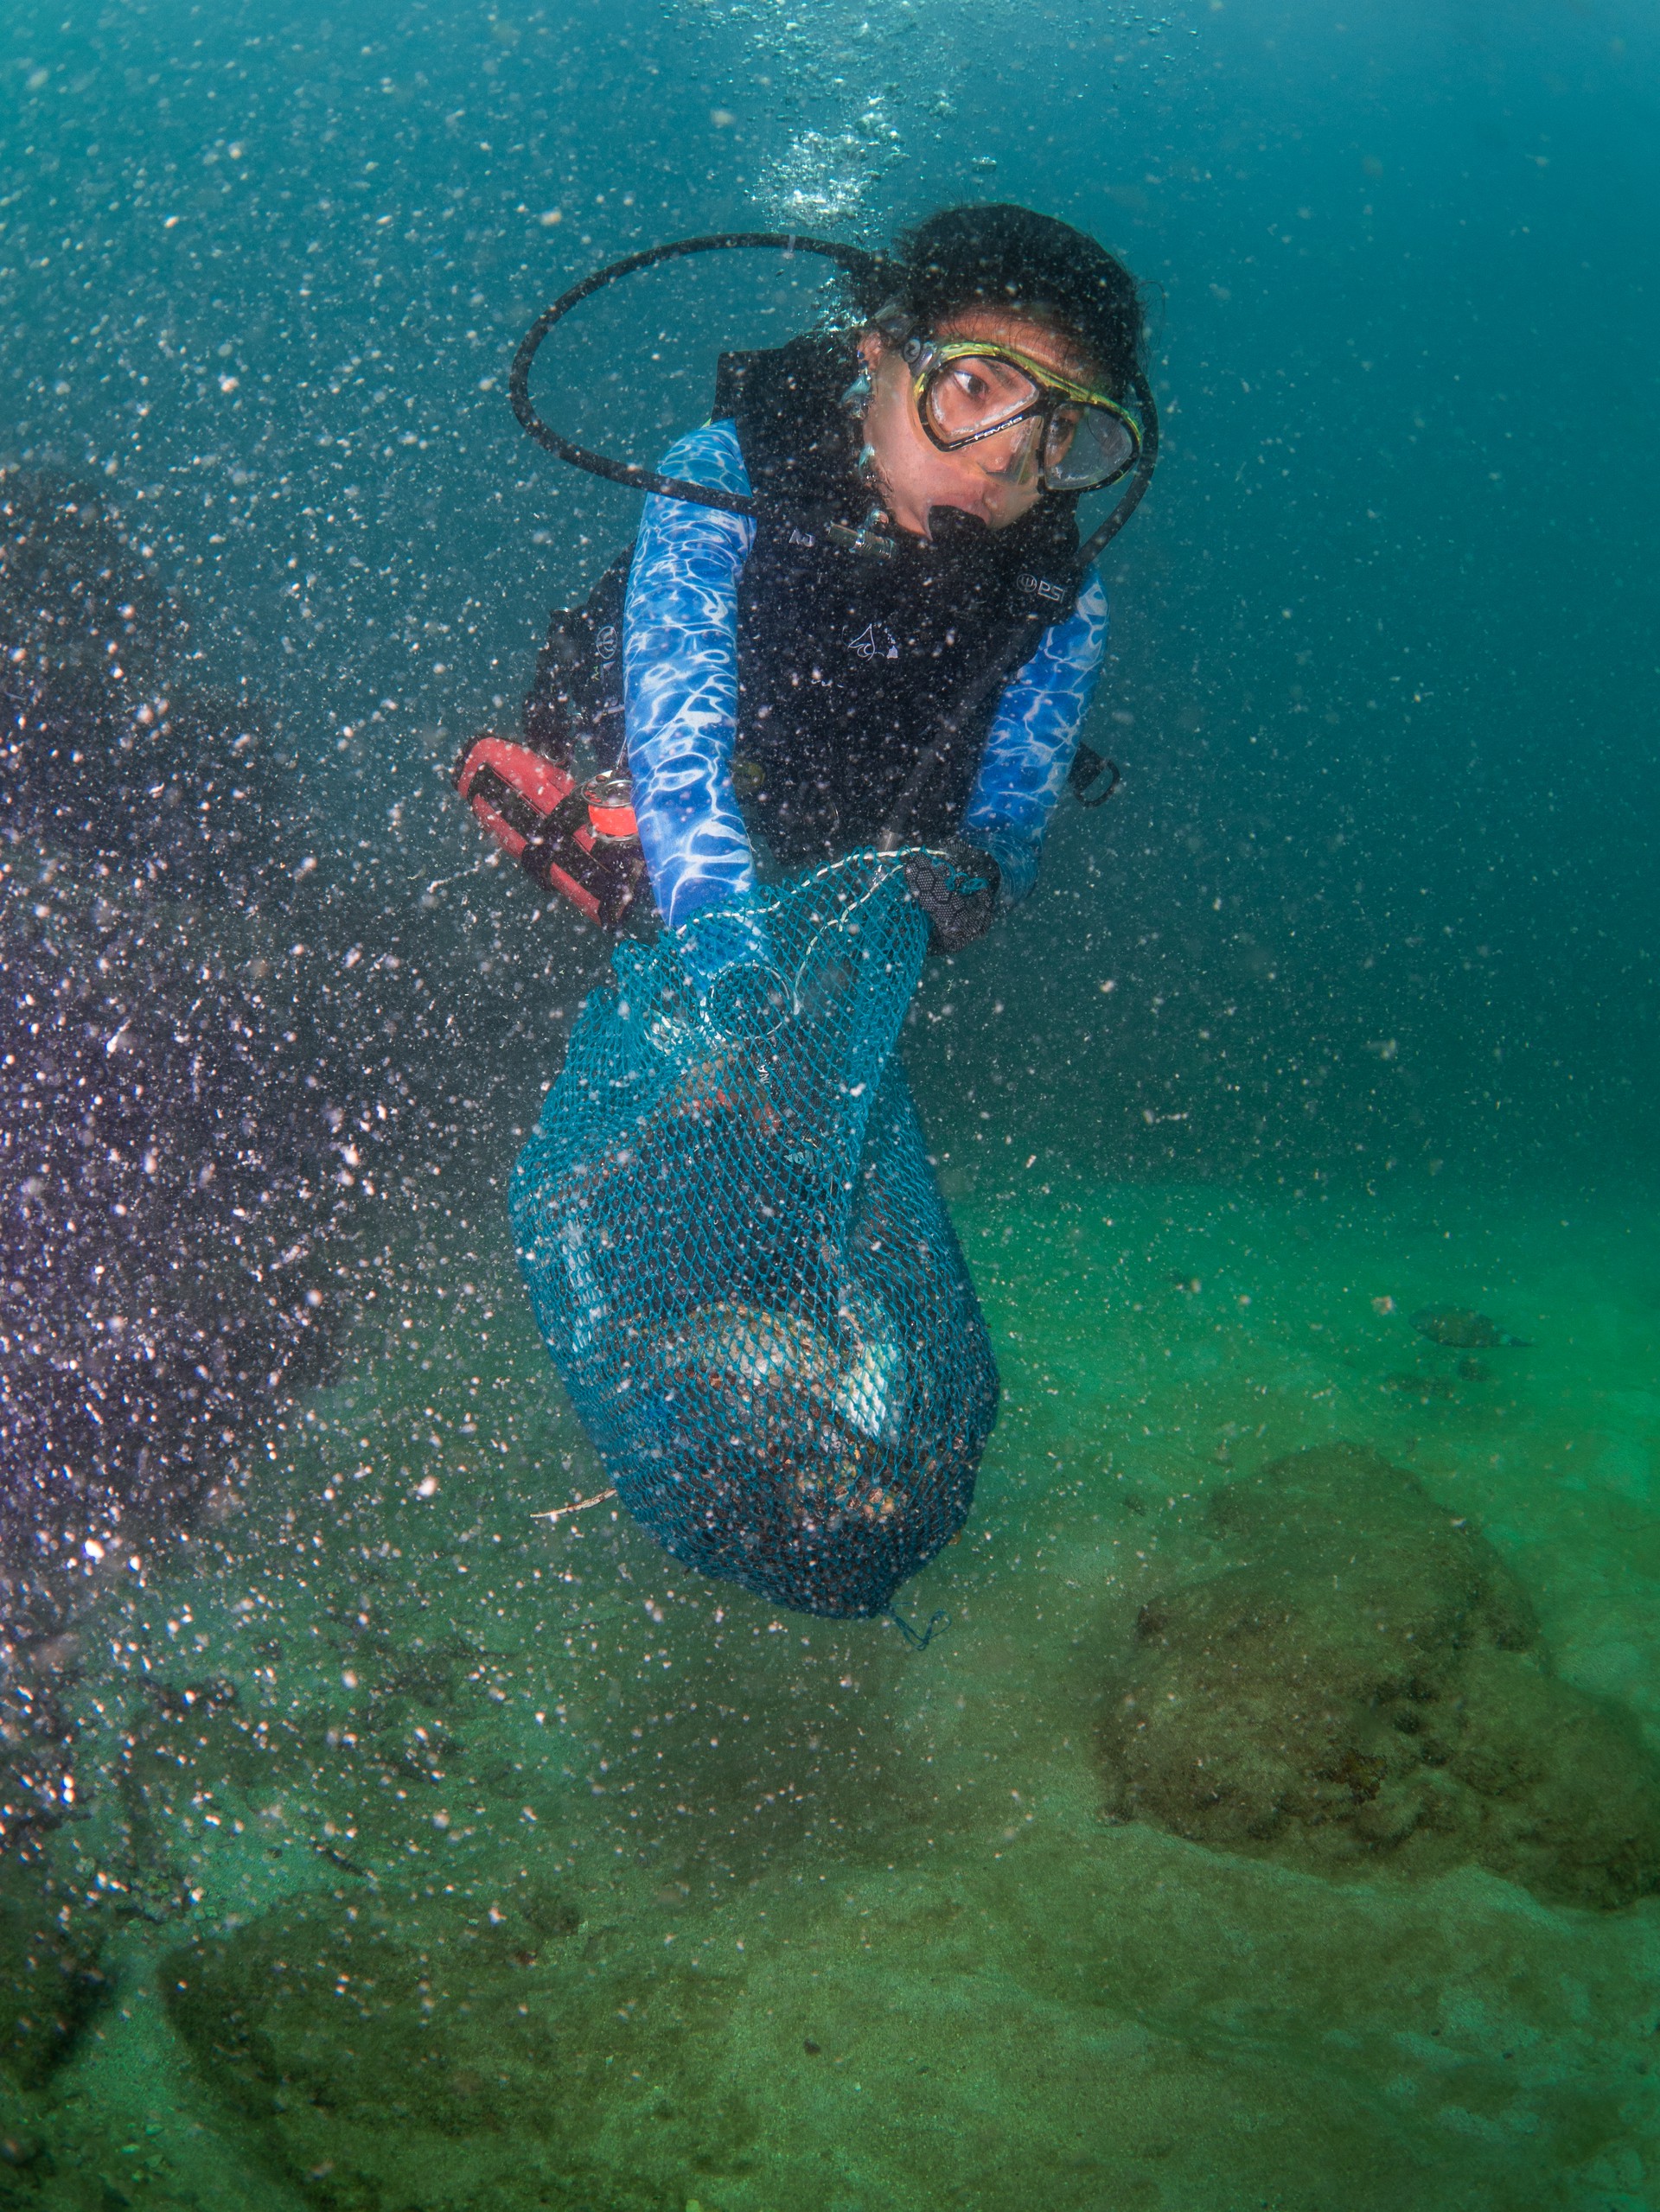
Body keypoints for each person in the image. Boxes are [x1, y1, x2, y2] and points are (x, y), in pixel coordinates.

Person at [464, 203, 1148, 991]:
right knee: (625, 867)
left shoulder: (1061, 602)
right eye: (972, 385)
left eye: (1059, 427)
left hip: (830, 819)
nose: (1004, 458)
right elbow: (681, 764)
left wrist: (984, 876)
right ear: (878, 352)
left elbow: (1015, 814)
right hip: (653, 744)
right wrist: (728, 976)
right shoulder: (724, 475)